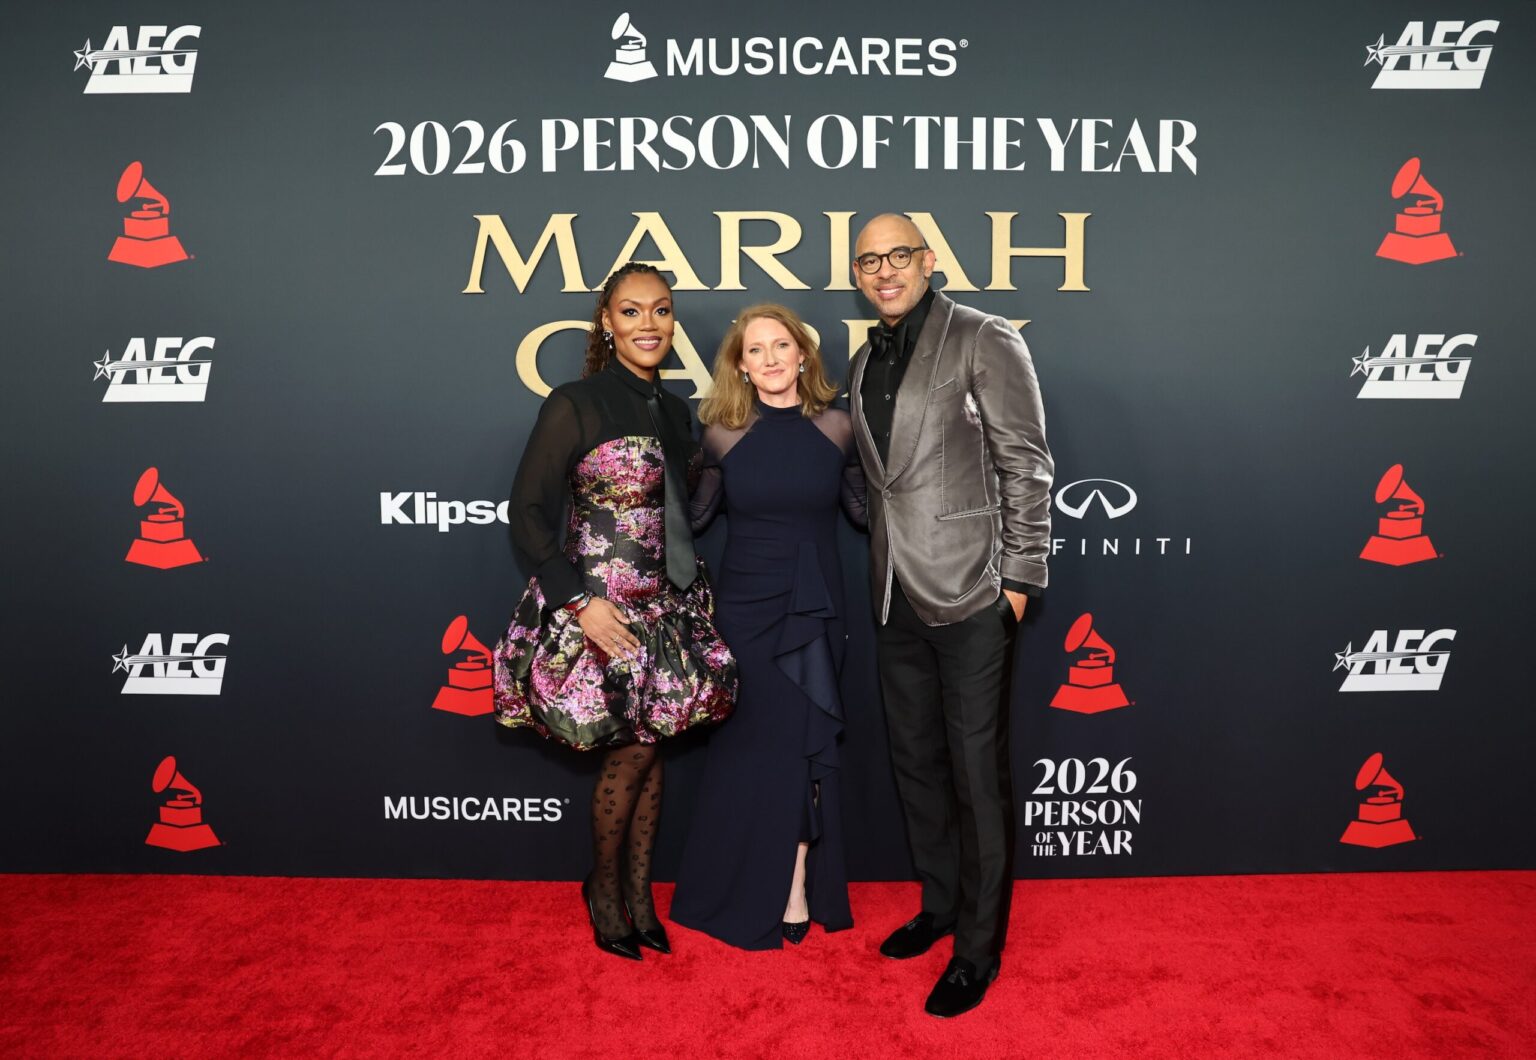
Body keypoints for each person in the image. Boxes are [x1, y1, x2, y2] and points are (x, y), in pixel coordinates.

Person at [492, 262, 737, 962]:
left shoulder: (673, 408)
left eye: (661, 311)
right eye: (632, 312)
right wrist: (578, 602)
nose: (649, 324)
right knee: (633, 750)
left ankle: (637, 894)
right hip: (599, 608)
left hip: (664, 608)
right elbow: (528, 514)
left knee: (649, 743)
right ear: (608, 321)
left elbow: (683, 512)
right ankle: (605, 892)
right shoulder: (576, 401)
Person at [848, 214, 1053, 1018]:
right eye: (869, 261)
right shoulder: (864, 358)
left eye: (898, 255)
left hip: (973, 590)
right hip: (894, 592)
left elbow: (1025, 461)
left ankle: (978, 947)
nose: (884, 270)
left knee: (976, 773)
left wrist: (1021, 577)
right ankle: (938, 905)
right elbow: (884, 482)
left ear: (927, 260)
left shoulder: (983, 335)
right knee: (917, 764)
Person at [670, 304, 865, 949]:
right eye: (756, 350)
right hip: (746, 612)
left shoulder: (839, 429)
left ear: (803, 356)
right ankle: (742, 879)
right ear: (741, 366)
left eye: (782, 345)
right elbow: (692, 523)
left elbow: (868, 513)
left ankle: (798, 881)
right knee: (752, 750)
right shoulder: (722, 435)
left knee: (804, 742)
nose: (772, 358)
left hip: (813, 610)